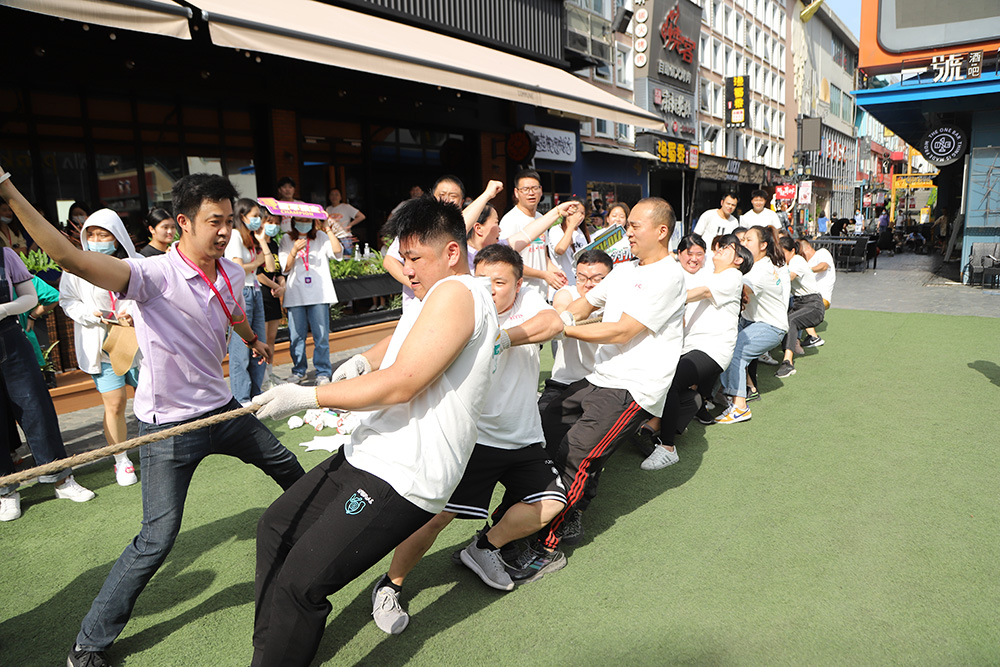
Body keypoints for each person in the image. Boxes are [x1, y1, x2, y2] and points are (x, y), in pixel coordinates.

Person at [0, 164, 307, 665]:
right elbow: (64, 256)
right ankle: (89, 643)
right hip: (168, 428)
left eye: (230, 219)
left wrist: (250, 339)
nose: (226, 230)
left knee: (291, 470)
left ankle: (315, 545)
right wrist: (8, 187)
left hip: (223, 413)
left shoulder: (228, 269)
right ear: (183, 224)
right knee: (156, 538)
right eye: (215, 220)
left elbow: (229, 308)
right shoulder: (151, 275)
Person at [249, 196, 499, 667]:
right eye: (403, 258)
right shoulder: (433, 293)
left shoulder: (458, 292)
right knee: (275, 528)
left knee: (302, 581)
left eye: (415, 258)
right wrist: (362, 360)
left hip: (402, 472)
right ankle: (272, 648)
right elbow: (402, 340)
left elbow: (403, 383)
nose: (407, 270)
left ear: (450, 252)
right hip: (368, 451)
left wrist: (306, 396)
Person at [368, 243, 565, 634]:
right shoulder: (464, 308)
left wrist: (505, 337)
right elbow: (404, 345)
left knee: (551, 504)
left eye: (499, 282)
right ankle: (390, 585)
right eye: (483, 281)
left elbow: (554, 324)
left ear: (518, 283)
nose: (490, 289)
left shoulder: (529, 300)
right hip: (475, 439)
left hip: (525, 438)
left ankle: (483, 547)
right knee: (434, 517)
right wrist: (361, 365)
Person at [531, 198, 686, 569]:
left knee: (578, 455)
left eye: (634, 225)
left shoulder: (669, 275)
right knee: (547, 420)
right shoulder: (625, 269)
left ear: (661, 231)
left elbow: (620, 331)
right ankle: (545, 507)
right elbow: (588, 303)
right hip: (600, 378)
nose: (626, 231)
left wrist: (562, 328)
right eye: (627, 224)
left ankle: (546, 545)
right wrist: (565, 314)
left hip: (633, 388)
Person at [636, 234, 753, 469]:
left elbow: (700, 293)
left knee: (672, 380)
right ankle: (657, 426)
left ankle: (668, 447)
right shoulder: (710, 274)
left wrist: (658, 301)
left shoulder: (732, 276)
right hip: (690, 347)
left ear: (738, 260)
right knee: (676, 388)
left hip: (713, 349)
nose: (719, 249)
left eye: (729, 248)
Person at [0, 245, 95, 522]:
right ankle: (5, 491)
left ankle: (60, 478)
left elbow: (30, 297)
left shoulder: (6, 255)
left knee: (36, 407)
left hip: (10, 337)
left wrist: (4, 310)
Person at [59, 209, 144, 487]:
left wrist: (132, 312)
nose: (96, 239)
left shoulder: (136, 262)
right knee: (115, 402)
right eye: (91, 234)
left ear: (116, 237)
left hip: (137, 344)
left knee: (149, 398)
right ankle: (122, 460)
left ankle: (157, 448)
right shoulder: (77, 267)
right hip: (101, 346)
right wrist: (92, 314)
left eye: (103, 234)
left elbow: (150, 293)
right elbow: (67, 301)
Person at [384, 178, 504, 311]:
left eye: (453, 196)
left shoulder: (460, 234)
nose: (446, 200)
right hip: (419, 307)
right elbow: (390, 261)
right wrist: (419, 286)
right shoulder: (415, 230)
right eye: (441, 195)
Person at [715, 226, 788, 424]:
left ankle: (740, 407)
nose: (742, 243)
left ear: (763, 245)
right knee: (724, 344)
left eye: (748, 240)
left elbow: (733, 289)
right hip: (753, 322)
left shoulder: (759, 270)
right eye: (743, 239)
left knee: (736, 350)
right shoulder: (757, 265)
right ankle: (723, 394)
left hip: (770, 325)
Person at [537, 250, 612, 415]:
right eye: (582, 278)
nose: (588, 284)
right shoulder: (569, 293)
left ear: (610, 279)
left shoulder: (617, 301)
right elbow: (561, 310)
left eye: (597, 279)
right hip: (563, 382)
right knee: (542, 418)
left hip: (602, 383)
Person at [278, 213, 344, 385]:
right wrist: (293, 251)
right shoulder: (286, 238)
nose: (304, 223)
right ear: (293, 221)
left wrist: (328, 228)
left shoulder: (321, 237)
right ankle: (299, 371)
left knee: (321, 335)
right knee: (296, 336)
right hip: (295, 294)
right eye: (301, 220)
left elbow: (337, 252)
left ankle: (323, 371)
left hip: (319, 293)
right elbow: (284, 268)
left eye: (308, 220)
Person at [226, 199, 275, 404]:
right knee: (240, 350)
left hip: (254, 291)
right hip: (242, 293)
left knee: (259, 343)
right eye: (254, 216)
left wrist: (262, 241)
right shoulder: (235, 235)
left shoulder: (251, 238)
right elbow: (238, 267)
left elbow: (270, 266)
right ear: (242, 216)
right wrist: (256, 262)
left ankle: (256, 394)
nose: (258, 220)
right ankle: (242, 398)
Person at [499, 169, 566, 299]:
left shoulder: (541, 219)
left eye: (534, 188)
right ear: (516, 193)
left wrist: (555, 271)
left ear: (541, 191)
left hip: (540, 294)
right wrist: (544, 275)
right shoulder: (509, 221)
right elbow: (507, 262)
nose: (531, 193)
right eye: (525, 189)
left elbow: (543, 256)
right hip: (520, 294)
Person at [774, 236, 825, 378]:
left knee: (791, 320)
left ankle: (787, 362)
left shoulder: (797, 260)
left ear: (792, 251)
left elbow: (788, 278)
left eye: (782, 252)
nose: (780, 256)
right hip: (799, 304)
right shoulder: (785, 264)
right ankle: (793, 345)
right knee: (785, 319)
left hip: (813, 305)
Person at [256, 208, 286, 386]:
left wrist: (282, 286)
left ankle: (270, 372)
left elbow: (279, 271)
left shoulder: (275, 244)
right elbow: (258, 273)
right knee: (262, 337)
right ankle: (262, 377)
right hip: (262, 294)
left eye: (276, 223)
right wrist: (276, 286)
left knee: (272, 338)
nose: (273, 226)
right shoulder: (256, 243)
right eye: (269, 222)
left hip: (275, 296)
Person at [797, 237, 835, 347]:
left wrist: (806, 270)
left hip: (821, 299)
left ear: (808, 247)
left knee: (801, 307)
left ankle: (814, 337)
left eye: (802, 253)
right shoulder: (806, 262)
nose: (802, 256)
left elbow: (824, 266)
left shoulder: (822, 253)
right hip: (811, 297)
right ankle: (797, 339)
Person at [547, 204, 590, 287]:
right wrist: (571, 226)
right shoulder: (556, 230)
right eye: (576, 212)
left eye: (582, 213)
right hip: (562, 285)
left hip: (580, 285)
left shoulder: (582, 232)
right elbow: (560, 250)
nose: (579, 216)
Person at [325, 187, 364, 254]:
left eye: (336, 195)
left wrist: (350, 224)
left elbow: (361, 216)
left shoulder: (346, 207)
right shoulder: (328, 209)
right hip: (333, 238)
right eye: (332, 195)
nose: (334, 197)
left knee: (347, 259)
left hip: (345, 237)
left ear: (340, 197)